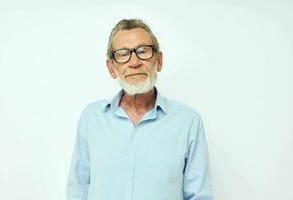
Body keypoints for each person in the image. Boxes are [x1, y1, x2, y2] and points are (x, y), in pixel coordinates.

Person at [66, 18, 213, 200]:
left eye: (143, 51)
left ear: (158, 61)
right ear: (111, 68)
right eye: (122, 54)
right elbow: (78, 191)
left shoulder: (188, 122)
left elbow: (199, 196)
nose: (134, 62)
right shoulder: (91, 118)